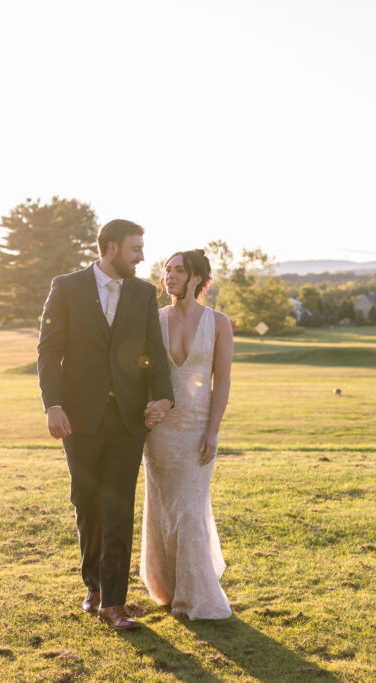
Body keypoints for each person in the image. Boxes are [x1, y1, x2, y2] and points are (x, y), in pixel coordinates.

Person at [37, 219, 175, 631]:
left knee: (118, 506)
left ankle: (114, 603)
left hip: (128, 421)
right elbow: (48, 351)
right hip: (78, 418)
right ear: (111, 248)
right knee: (87, 504)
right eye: (136, 248)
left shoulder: (144, 293)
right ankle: (93, 586)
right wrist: (53, 405)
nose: (142, 257)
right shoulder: (66, 287)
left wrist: (164, 396)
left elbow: (153, 351)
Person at [140, 249, 234, 620]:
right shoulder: (154, 320)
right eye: (167, 269)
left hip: (197, 429)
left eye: (177, 270)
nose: (169, 275)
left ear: (197, 278)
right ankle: (167, 589)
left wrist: (213, 429)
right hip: (159, 432)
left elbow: (222, 379)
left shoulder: (218, 323)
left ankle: (197, 597)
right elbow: (143, 370)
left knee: (190, 511)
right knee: (163, 509)